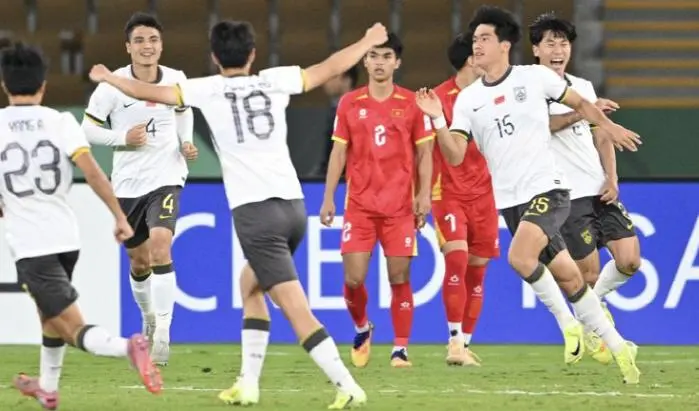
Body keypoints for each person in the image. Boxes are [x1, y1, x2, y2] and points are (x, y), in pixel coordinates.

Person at [88, 19, 392, 408]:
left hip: (256, 214)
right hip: (293, 207)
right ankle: (248, 384)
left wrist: (108, 78)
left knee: (295, 308)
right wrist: (366, 40)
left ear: (215, 57)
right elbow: (330, 67)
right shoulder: (274, 80)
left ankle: (347, 386)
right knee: (250, 286)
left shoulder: (208, 89)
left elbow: (146, 90)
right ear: (252, 54)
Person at [415, 5, 641, 384]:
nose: (476, 45)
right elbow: (454, 156)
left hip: (548, 189)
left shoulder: (534, 77)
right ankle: (619, 349)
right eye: (474, 40)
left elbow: (580, 103)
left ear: (505, 45)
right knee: (571, 279)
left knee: (520, 258)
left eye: (484, 38)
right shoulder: (468, 99)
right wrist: (438, 117)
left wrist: (609, 126)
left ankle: (567, 324)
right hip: (511, 201)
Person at [0, 42, 162, 410]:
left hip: (31, 244)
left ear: (5, 84)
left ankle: (127, 347)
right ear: (43, 85)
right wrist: (119, 217)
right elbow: (92, 172)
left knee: (71, 326)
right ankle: (48, 389)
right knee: (49, 316)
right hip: (65, 238)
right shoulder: (61, 121)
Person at [81, 12, 198, 366]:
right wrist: (122, 138)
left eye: (153, 40)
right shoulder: (111, 87)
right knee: (140, 260)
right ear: (128, 47)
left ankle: (162, 332)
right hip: (128, 182)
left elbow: (183, 110)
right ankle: (148, 316)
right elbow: (87, 130)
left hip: (167, 176)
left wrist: (186, 141)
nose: (148, 46)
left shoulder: (176, 78)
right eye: (140, 40)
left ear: (161, 45)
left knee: (161, 246)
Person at [529, 12, 642, 365]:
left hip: (598, 188)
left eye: (563, 43)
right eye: (550, 43)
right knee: (587, 274)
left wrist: (612, 177)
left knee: (630, 260)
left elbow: (602, 134)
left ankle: (592, 312)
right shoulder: (529, 89)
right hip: (567, 193)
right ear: (536, 50)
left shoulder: (583, 86)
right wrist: (584, 111)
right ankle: (593, 322)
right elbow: (544, 127)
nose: (558, 50)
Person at [320, 33, 434, 369]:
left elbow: (425, 153)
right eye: (373, 56)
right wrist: (328, 197)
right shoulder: (349, 103)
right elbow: (338, 152)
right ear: (365, 61)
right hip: (359, 206)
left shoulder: (412, 103)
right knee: (353, 279)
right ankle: (362, 327)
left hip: (399, 208)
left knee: (399, 277)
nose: (380, 62)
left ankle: (400, 348)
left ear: (397, 62)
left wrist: (423, 194)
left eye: (386, 56)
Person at [431, 31, 498, 367]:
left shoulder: (493, 94)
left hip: (485, 194)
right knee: (456, 260)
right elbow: (424, 152)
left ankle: (465, 344)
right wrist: (419, 194)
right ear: (471, 59)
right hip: (448, 192)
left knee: (477, 273)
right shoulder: (438, 99)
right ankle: (454, 341)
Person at [314, 66, 359, 177]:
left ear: (347, 80)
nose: (325, 82)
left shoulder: (357, 112)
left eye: (331, 77)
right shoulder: (334, 110)